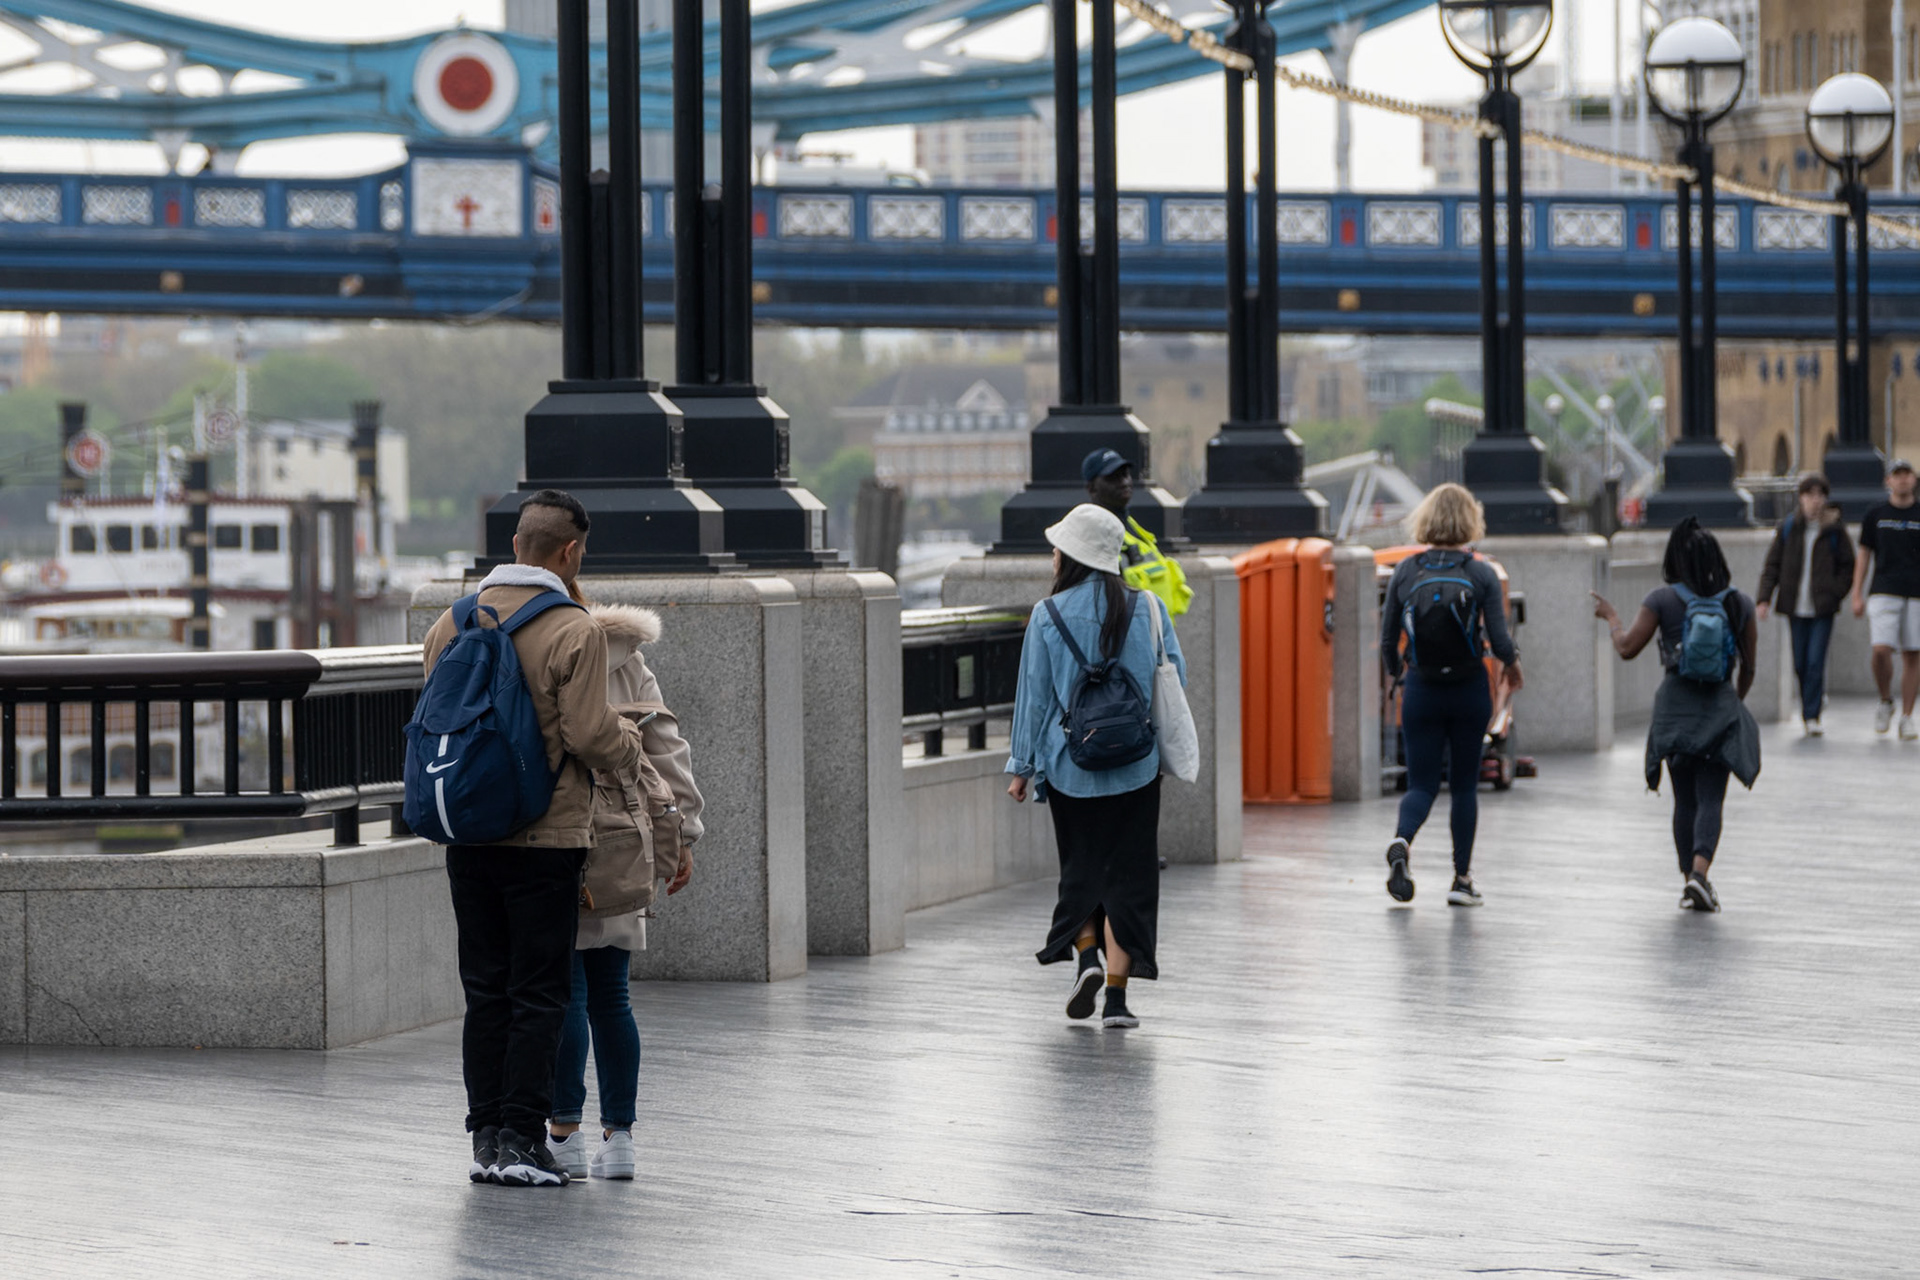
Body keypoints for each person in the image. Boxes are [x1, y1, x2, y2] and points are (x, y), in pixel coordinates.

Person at [420, 489, 643, 1188]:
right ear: (570, 553)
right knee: (540, 993)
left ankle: (487, 1137)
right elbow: (589, 736)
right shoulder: (574, 628)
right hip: (546, 839)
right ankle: (523, 1139)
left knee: (486, 990)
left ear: (516, 545)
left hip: (467, 833)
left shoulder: (451, 623)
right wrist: (631, 741)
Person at [1006, 503, 1184, 1030]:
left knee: (1081, 871)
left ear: (1074, 555)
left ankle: (1086, 957)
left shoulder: (1047, 614)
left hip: (1071, 766)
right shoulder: (1149, 607)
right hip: (1136, 766)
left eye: (1058, 547)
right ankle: (1117, 1001)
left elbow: (1033, 698)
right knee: (1129, 880)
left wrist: (1022, 767)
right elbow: (1175, 678)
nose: (1053, 554)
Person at [545, 602, 704, 1182]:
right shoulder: (627, 658)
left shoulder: (542, 646)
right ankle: (620, 1141)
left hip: (555, 833)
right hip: (624, 836)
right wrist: (683, 833)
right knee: (612, 995)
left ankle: (564, 1134)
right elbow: (667, 748)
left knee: (566, 992)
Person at [1592, 518, 1761, 913]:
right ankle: (1701, 875)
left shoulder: (1662, 600)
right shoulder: (1739, 603)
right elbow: (1750, 666)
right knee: (1711, 799)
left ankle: (1689, 881)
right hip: (1718, 708)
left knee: (1683, 800)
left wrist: (1612, 618)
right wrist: (1732, 702)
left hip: (1674, 710)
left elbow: (1627, 648)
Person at [1377, 483, 1521, 908]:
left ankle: (1403, 840)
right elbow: (1500, 639)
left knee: (1421, 784)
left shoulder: (1406, 571)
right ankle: (1461, 880)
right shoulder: (1480, 572)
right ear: (1470, 520)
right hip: (1468, 689)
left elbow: (1387, 641)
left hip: (1421, 689)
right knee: (1463, 787)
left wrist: (1399, 675)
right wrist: (1513, 665)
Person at [1756, 474, 1855, 736]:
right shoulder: (1789, 527)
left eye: (1819, 495)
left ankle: (1811, 715)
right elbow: (1772, 564)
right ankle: (1814, 697)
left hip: (1822, 607)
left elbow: (1848, 566)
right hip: (1795, 605)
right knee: (1800, 662)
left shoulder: (1834, 529)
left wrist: (1835, 593)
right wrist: (1764, 598)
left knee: (1814, 661)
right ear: (1801, 498)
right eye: (1810, 495)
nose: (1815, 501)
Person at [1849, 459, 1920, 739]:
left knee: (1912, 653)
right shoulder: (1876, 513)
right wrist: (1857, 592)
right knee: (1881, 649)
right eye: (1897, 475)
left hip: (1916, 591)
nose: (1902, 479)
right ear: (1888, 480)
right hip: (1883, 589)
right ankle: (1885, 699)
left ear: (1913, 479)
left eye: (1907, 474)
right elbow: (1864, 554)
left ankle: (1907, 716)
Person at [1082, 448, 1192, 619]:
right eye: (1113, 477)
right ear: (1092, 488)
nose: (1124, 482)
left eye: (1126, 475)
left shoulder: (1133, 528)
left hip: (1157, 630)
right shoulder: (1095, 534)